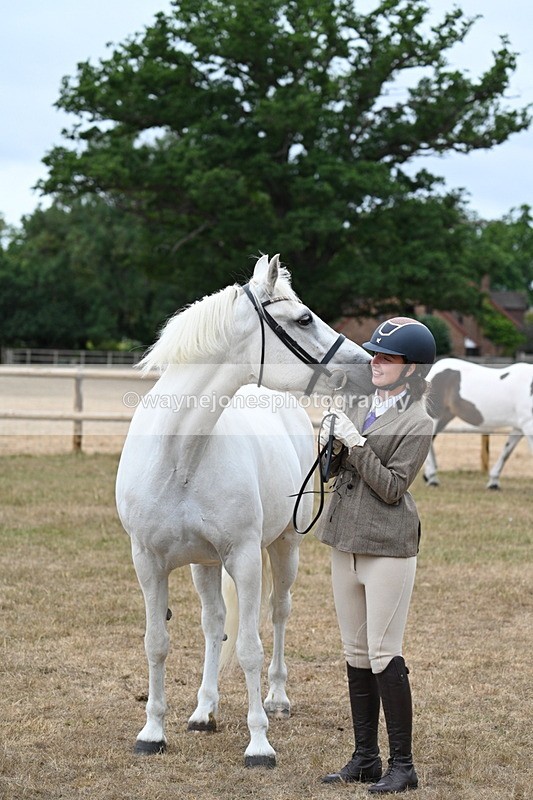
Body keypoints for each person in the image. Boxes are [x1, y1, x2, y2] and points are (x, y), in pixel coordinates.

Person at [316, 317, 436, 794]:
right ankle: (365, 757)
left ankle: (402, 765)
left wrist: (357, 442)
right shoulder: (362, 404)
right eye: (375, 355)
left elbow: (390, 487)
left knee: (385, 653)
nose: (376, 362)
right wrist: (331, 441)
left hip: (387, 545)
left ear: (411, 369)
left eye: (387, 357)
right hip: (344, 540)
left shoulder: (419, 422)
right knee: (355, 653)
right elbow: (336, 471)